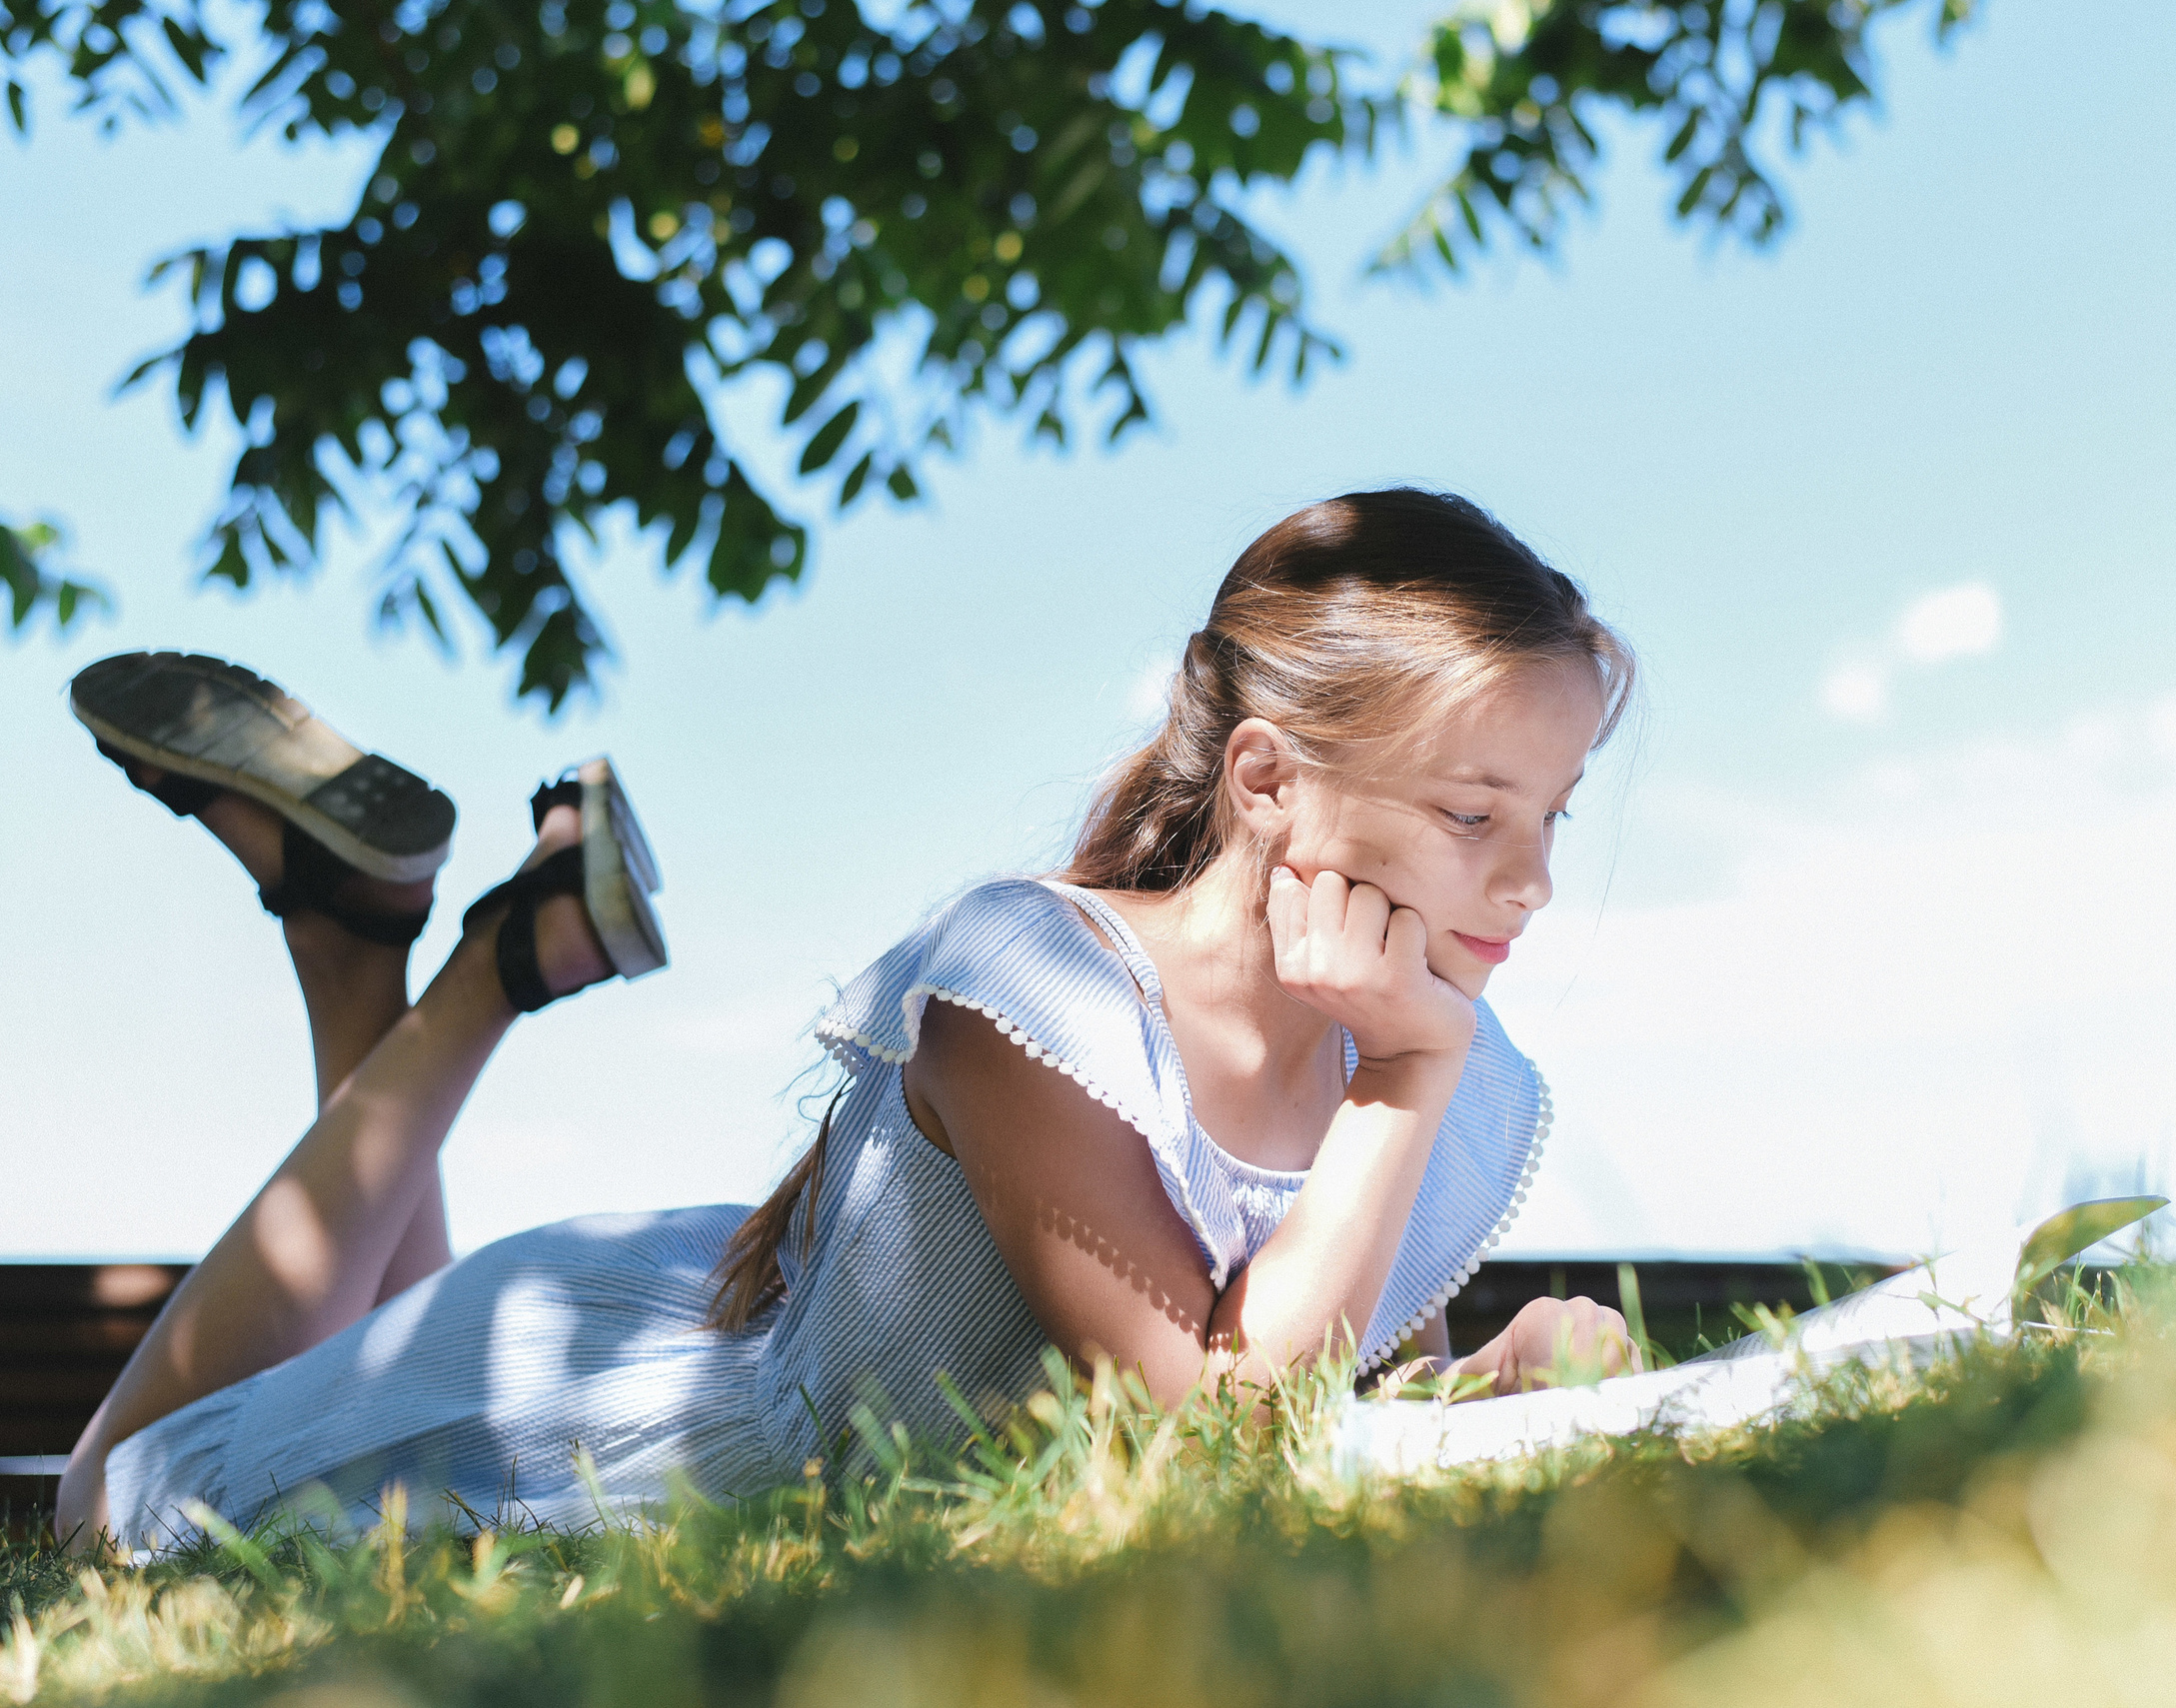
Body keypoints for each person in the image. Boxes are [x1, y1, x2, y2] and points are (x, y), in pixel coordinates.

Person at [53, 490, 1641, 1548]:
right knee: (92, 1507)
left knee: (311, 1370)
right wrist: (1408, 1078)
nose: (1531, 883)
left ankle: (353, 937)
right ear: (1270, 781)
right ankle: (480, 975)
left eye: (1554, 816)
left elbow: (1320, 1397)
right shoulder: (1031, 992)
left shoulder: (1399, 1034)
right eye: (1471, 812)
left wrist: (1488, 1375)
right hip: (604, 1423)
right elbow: (1208, 1450)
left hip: (675, 1334)